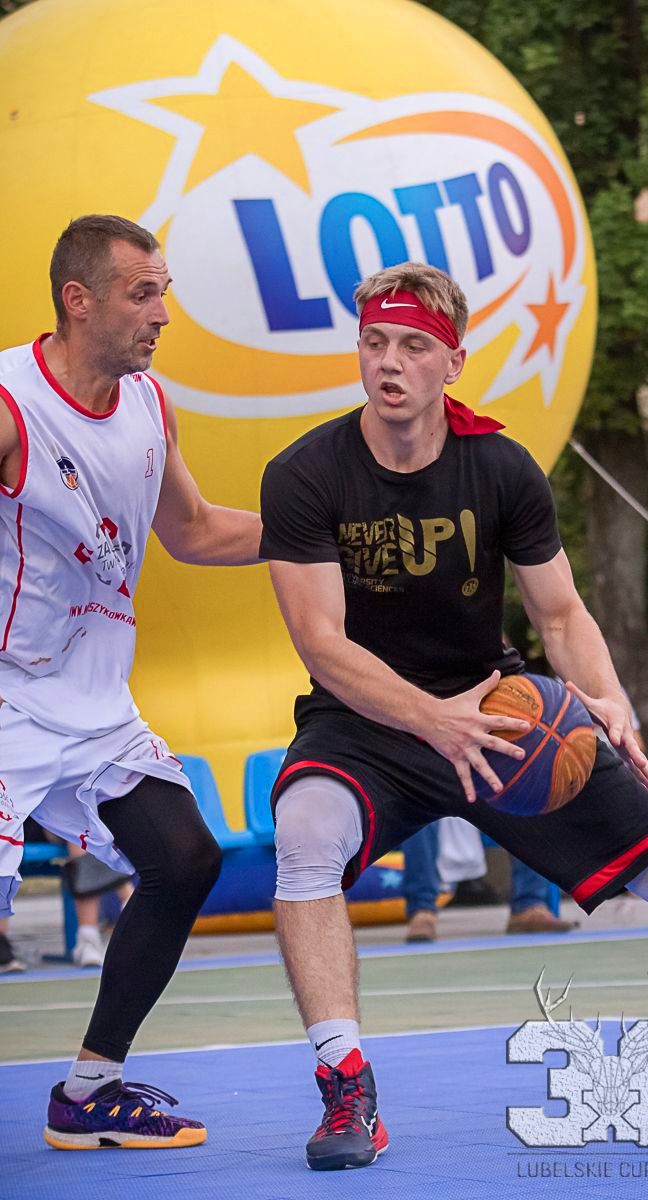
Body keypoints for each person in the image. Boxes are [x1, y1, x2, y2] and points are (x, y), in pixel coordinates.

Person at [260, 262, 648, 1173]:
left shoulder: (501, 468)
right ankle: (345, 1083)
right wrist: (432, 720)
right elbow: (322, 643)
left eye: (413, 347)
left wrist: (609, 701)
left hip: (501, 711)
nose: (388, 362)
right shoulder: (305, 473)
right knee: (304, 835)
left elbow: (559, 615)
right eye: (374, 342)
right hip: (366, 719)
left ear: (452, 363)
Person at [0, 215, 262, 1149]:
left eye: (165, 292)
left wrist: (330, 529)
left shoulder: (149, 404)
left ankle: (89, 1092)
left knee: (185, 858)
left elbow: (194, 532)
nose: (163, 314)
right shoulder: (11, 404)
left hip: (91, 706)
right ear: (79, 301)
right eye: (142, 293)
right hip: (4, 698)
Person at [402, 821, 576, 941]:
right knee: (416, 804)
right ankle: (422, 911)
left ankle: (529, 906)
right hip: (439, 788)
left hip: (488, 789)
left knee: (531, 796)